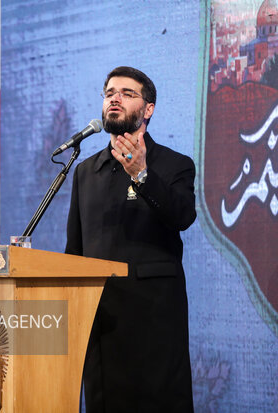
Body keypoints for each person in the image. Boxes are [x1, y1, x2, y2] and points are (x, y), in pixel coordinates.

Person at [65, 66, 196, 412]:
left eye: (127, 93)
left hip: (153, 322)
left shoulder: (173, 165)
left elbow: (183, 217)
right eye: (109, 93)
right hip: (100, 322)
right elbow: (74, 251)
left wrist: (141, 174)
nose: (115, 98)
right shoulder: (84, 172)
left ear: (148, 109)